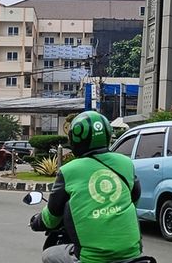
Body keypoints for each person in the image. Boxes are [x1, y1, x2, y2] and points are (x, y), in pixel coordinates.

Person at [30, 111, 142, 263]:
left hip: (93, 258)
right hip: (132, 253)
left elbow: (52, 217)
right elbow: (134, 197)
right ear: (108, 136)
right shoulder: (126, 163)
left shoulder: (68, 171)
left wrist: (36, 221)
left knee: (49, 255)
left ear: (75, 139)